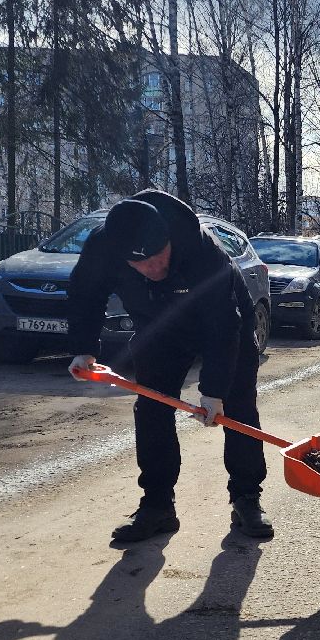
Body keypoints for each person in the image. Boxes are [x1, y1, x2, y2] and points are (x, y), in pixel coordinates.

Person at [65, 189, 273, 542]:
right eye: (143, 265)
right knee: (151, 409)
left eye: (159, 259)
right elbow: (85, 293)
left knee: (237, 408)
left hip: (226, 321)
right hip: (158, 327)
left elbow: (223, 326)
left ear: (169, 241)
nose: (154, 269)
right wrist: (83, 348)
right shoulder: (105, 246)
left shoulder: (202, 251)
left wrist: (213, 393)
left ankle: (246, 498)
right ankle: (157, 505)